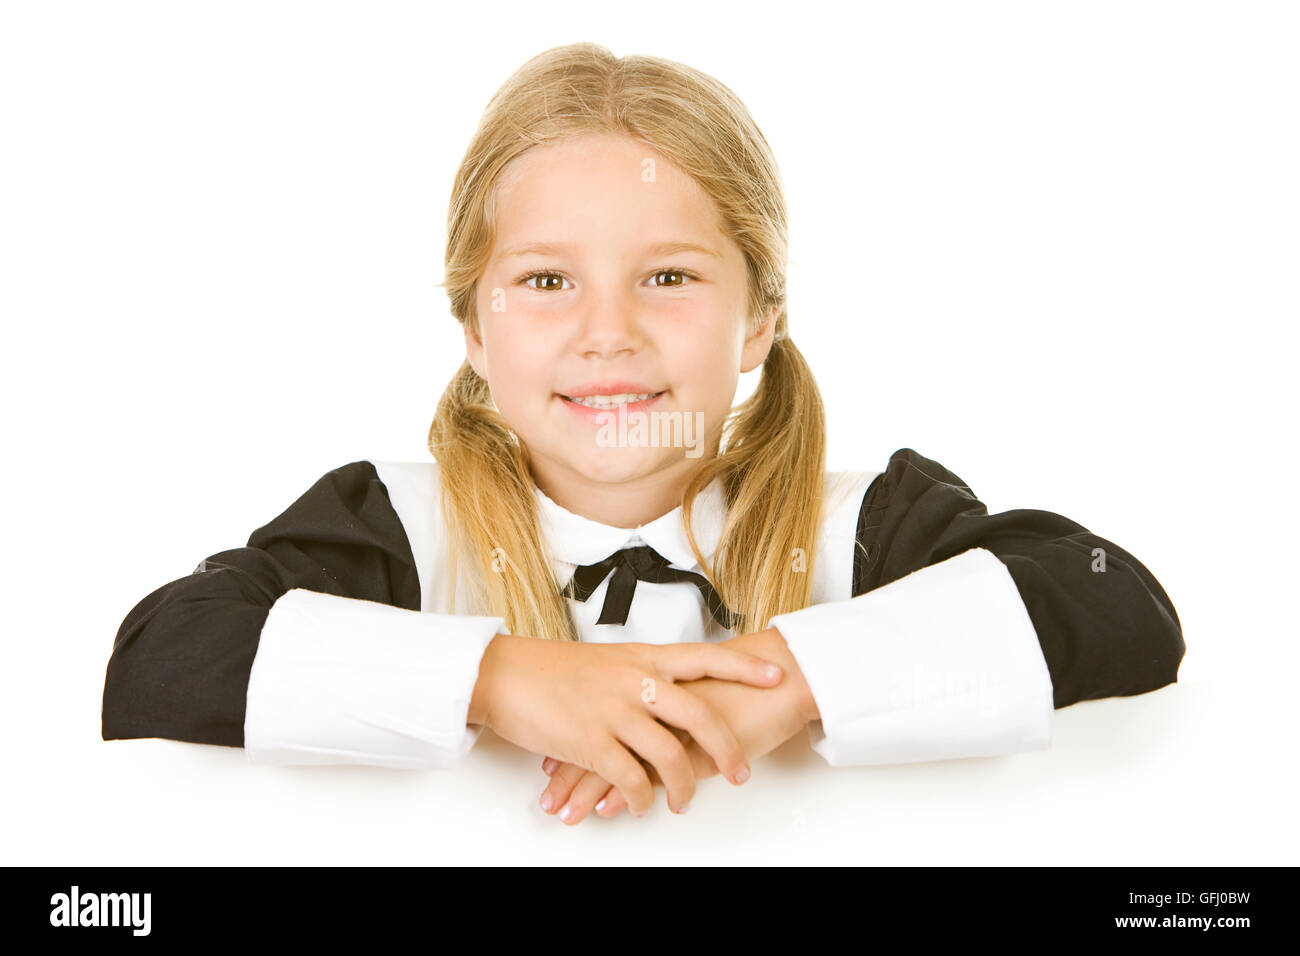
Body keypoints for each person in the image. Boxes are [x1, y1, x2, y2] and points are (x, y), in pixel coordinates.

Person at [101, 42, 1184, 825]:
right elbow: (161, 653)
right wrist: (501, 677)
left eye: (667, 276)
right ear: (475, 326)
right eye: (544, 281)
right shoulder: (389, 523)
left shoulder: (865, 522)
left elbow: (1113, 596)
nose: (605, 333)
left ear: (759, 315)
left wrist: (788, 673)